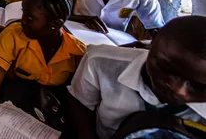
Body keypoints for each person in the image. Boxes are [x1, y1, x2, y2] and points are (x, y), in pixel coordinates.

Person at [0, 0, 86, 139]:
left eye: (30, 18)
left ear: (54, 24)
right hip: (14, 101)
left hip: (49, 108)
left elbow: (78, 100)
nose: (22, 21)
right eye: (23, 13)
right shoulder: (14, 35)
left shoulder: (77, 53)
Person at [66, 16, 206, 139]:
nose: (178, 90)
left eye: (199, 86)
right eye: (166, 69)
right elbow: (80, 102)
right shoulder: (101, 62)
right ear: (153, 40)